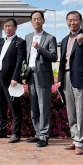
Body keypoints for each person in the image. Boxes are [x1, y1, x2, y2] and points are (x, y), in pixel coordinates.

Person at [58, 10, 83, 155]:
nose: (72, 23)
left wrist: (82, 44)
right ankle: (75, 139)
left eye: (75, 20)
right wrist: (60, 79)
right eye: (69, 20)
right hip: (66, 77)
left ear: (80, 21)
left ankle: (81, 142)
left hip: (81, 78)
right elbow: (63, 61)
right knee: (71, 112)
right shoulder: (65, 40)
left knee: (81, 112)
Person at [24, 10, 57, 148]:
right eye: (34, 19)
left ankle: (44, 135)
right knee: (34, 107)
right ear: (31, 22)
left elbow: (54, 57)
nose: (36, 21)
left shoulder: (50, 38)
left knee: (44, 107)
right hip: (30, 75)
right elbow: (26, 57)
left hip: (43, 76)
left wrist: (40, 49)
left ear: (43, 21)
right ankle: (37, 133)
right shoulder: (27, 37)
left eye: (39, 18)